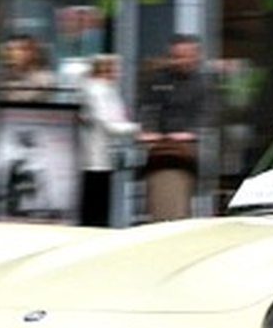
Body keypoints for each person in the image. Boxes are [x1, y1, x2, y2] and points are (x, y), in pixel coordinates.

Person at [137, 33, 216, 221]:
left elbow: (207, 113)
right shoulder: (158, 80)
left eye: (184, 56)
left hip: (185, 154)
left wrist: (191, 133)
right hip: (161, 152)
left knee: (176, 201)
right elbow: (145, 107)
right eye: (175, 56)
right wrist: (148, 132)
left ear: (195, 56)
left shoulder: (203, 84)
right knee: (160, 200)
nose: (179, 61)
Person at [75, 53, 137, 227]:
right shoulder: (97, 91)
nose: (118, 73)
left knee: (100, 195)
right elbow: (108, 123)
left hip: (104, 154)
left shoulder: (107, 90)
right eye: (114, 68)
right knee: (96, 198)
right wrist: (135, 129)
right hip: (96, 154)